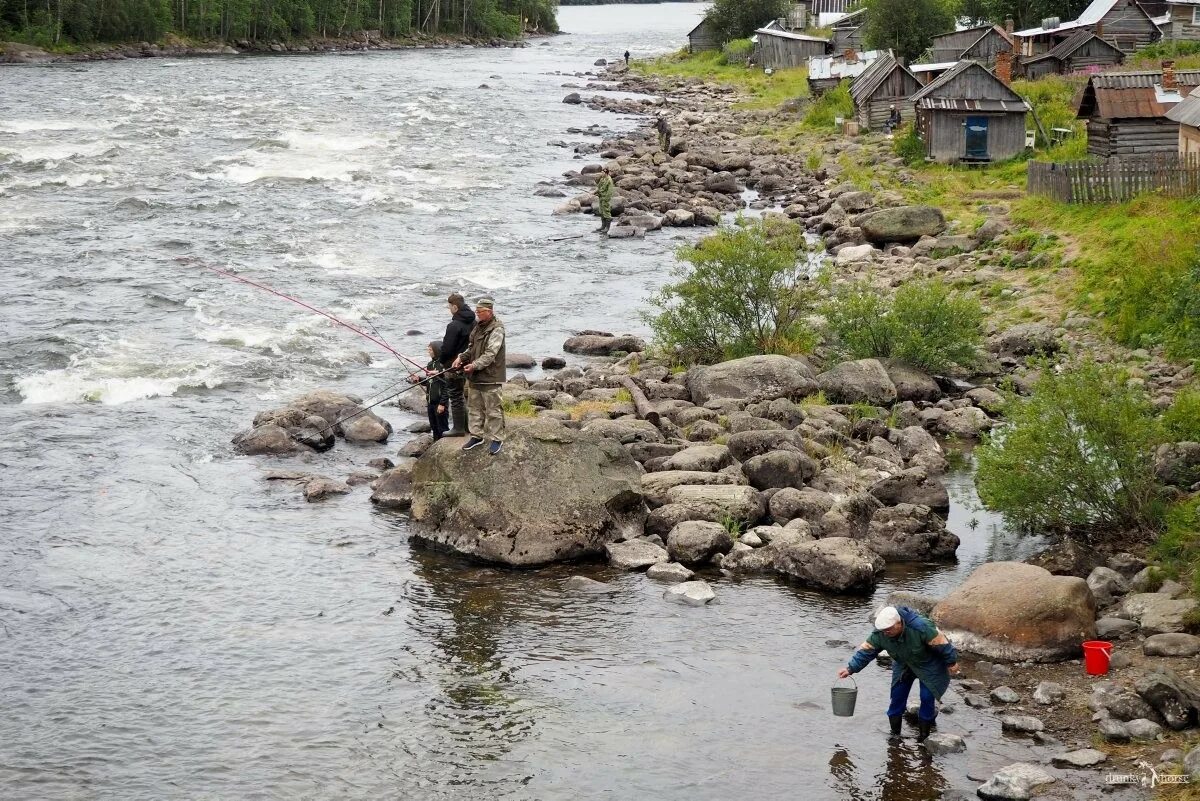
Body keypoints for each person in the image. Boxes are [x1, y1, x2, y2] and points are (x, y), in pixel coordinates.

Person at [837, 605, 960, 742]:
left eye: (889, 629)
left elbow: (942, 644)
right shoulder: (879, 634)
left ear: (899, 623)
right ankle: (895, 735)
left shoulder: (921, 627)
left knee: (926, 697)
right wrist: (850, 669)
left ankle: (924, 737)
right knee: (897, 697)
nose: (885, 633)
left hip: (929, 664)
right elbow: (866, 652)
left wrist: (951, 662)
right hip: (903, 665)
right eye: (883, 630)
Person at [453, 296, 506, 455]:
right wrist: (461, 358)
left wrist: (474, 365)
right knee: (474, 408)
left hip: (491, 377)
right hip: (475, 377)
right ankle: (477, 436)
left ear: (489, 311)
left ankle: (497, 439)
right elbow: (471, 349)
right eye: (476, 311)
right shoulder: (477, 328)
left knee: (493, 411)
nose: (477, 314)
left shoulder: (497, 329)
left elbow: (490, 354)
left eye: (480, 311)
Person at [440, 293, 475, 436]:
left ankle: (458, 429)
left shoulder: (454, 325)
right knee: (461, 396)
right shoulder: (473, 321)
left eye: (449, 306)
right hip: (468, 363)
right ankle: (467, 427)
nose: (449, 309)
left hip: (454, 365)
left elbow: (447, 349)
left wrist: (441, 361)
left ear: (455, 307)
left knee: (455, 395)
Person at [409, 341, 450, 439]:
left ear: (437, 350)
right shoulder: (430, 364)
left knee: (442, 428)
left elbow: (447, 386)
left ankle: (443, 448)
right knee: (434, 427)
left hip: (439, 403)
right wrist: (419, 379)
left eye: (430, 350)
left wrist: (442, 403)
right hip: (430, 402)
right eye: (428, 350)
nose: (429, 352)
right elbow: (429, 381)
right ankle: (435, 445)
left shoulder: (444, 365)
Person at [595, 167, 614, 235]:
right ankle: (603, 226)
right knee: (601, 212)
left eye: (602, 172)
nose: (601, 173)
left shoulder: (609, 180)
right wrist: (594, 192)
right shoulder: (602, 179)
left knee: (606, 212)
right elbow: (598, 187)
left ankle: (607, 228)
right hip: (600, 197)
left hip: (605, 198)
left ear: (606, 173)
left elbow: (610, 191)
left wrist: (606, 199)